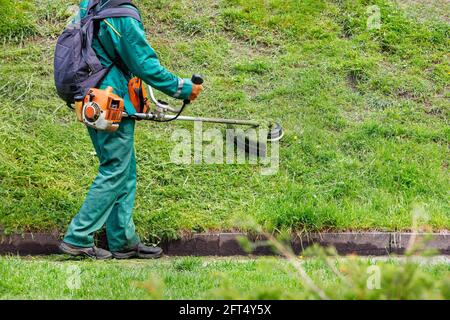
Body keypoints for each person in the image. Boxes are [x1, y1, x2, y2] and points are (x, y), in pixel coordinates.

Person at [59, 0, 203, 259]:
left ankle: (122, 240)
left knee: (123, 169)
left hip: (91, 99)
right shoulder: (121, 14)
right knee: (115, 168)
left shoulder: (92, 4)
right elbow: (144, 64)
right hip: (110, 101)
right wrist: (182, 88)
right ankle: (78, 237)